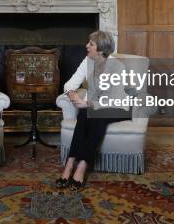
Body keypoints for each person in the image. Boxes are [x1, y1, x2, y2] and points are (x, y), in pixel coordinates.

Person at [56, 31, 131, 191]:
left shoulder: (117, 67)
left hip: (118, 107)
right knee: (85, 113)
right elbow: (69, 84)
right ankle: (70, 164)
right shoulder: (87, 61)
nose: (86, 46)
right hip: (95, 106)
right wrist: (72, 94)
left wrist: (88, 103)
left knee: (93, 113)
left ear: (101, 49)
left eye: (91, 44)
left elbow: (113, 100)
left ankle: (82, 165)